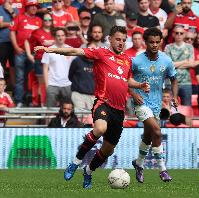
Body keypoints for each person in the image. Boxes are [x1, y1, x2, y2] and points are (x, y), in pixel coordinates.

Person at [35, 25, 150, 189]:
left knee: (108, 150)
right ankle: (75, 162)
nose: (121, 43)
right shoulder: (101, 53)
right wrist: (49, 49)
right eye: (118, 39)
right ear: (109, 38)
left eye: (124, 40)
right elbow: (75, 52)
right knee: (100, 129)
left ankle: (88, 172)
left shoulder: (126, 60)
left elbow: (126, 80)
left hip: (119, 110)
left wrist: (139, 85)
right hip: (103, 103)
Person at [130, 27, 178, 183]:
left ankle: (138, 164)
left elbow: (174, 79)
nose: (155, 45)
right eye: (151, 42)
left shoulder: (166, 60)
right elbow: (124, 79)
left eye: (157, 42)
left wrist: (174, 96)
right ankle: (163, 170)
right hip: (141, 102)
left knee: (148, 136)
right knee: (157, 131)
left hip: (156, 104)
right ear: (146, 42)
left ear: (161, 42)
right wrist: (133, 93)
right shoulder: (136, 60)